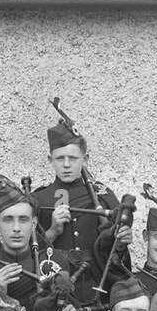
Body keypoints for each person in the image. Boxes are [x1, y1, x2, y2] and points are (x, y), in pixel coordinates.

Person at [31, 120, 120, 288]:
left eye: (72, 158)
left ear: (85, 159)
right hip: (54, 286)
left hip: (96, 283)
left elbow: (116, 248)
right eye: (59, 158)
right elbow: (30, 253)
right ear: (50, 160)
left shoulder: (102, 196)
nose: (66, 165)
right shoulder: (39, 199)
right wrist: (53, 231)